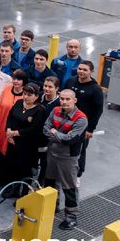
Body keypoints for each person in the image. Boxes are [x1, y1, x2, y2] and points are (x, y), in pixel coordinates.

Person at [43, 90, 88, 230]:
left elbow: (71, 139)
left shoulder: (81, 119)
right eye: (62, 98)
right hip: (52, 153)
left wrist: (55, 132)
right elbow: (45, 129)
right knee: (50, 182)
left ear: (74, 100)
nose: (64, 102)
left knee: (69, 187)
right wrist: (60, 135)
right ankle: (52, 206)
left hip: (68, 157)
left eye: (67, 99)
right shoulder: (55, 110)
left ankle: (71, 217)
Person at [3, 83, 47, 198]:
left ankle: (24, 194)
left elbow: (35, 129)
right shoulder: (18, 103)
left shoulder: (40, 110)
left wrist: (15, 133)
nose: (26, 97)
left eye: (29, 95)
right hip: (13, 142)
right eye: (25, 94)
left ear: (36, 96)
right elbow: (10, 117)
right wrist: (8, 131)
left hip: (27, 146)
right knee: (12, 166)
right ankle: (14, 189)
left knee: (24, 170)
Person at [64, 61, 103, 184]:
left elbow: (98, 110)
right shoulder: (70, 81)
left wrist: (90, 129)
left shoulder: (95, 89)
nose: (81, 71)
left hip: (82, 126)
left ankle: (78, 174)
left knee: (79, 150)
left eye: (85, 70)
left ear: (91, 72)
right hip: (65, 121)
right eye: (80, 69)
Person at [0, 69, 28, 187]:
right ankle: (2, 179)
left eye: (19, 79)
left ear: (24, 81)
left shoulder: (26, 94)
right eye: (15, 78)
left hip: (15, 132)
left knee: (13, 158)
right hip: (2, 128)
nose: (16, 81)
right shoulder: (7, 88)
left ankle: (11, 183)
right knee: (3, 156)